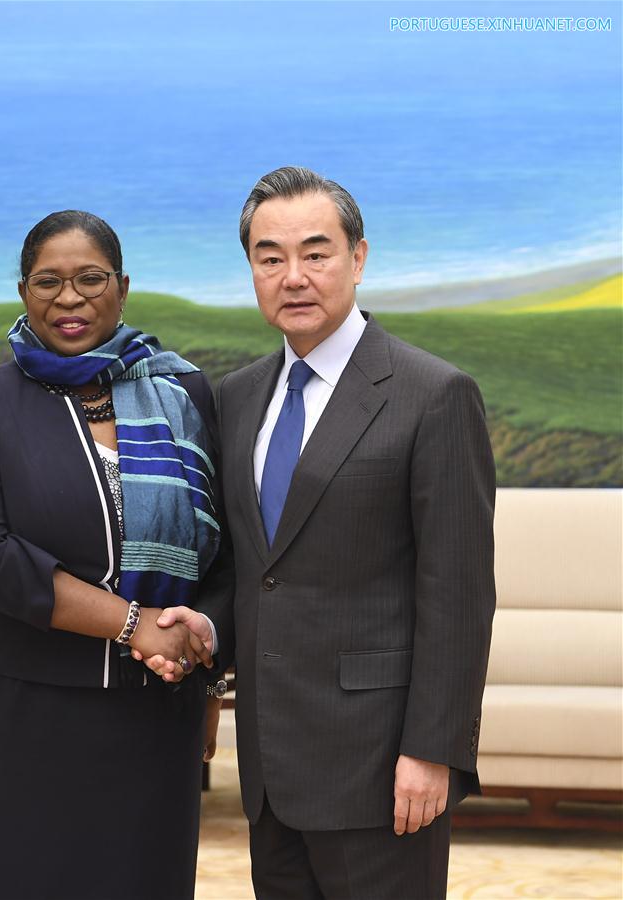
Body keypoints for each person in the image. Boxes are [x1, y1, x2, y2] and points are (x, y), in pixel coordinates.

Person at [146, 167, 496, 899]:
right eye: (270, 257)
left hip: (382, 767)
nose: (294, 277)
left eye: (316, 252)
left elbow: (458, 594)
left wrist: (433, 751)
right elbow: (250, 566)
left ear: (358, 258)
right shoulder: (238, 397)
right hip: (271, 768)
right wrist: (208, 627)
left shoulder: (434, 395)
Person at [0, 209, 232, 900]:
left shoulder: (185, 394)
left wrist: (209, 676)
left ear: (122, 287)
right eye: (48, 281)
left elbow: (223, 551)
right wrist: (134, 624)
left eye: (90, 279)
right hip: (13, 712)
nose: (69, 298)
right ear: (23, 292)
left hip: (154, 714)